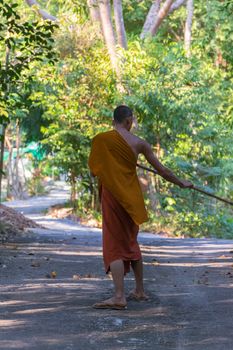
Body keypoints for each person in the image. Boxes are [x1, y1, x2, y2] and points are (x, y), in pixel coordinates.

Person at [88, 105, 193, 310]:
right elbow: (162, 171)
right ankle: (139, 290)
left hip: (113, 196)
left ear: (114, 121)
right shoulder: (140, 144)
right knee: (130, 241)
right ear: (129, 121)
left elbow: (94, 171)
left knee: (114, 244)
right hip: (131, 197)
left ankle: (119, 296)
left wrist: (112, 164)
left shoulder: (101, 140)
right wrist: (182, 183)